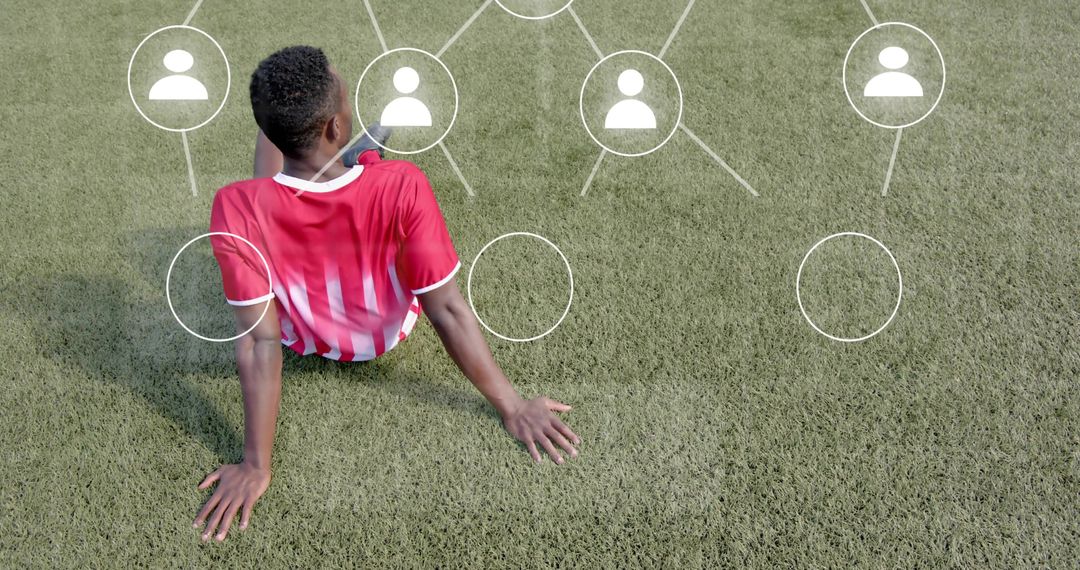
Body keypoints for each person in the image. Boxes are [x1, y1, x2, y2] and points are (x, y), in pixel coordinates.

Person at [191, 46, 580, 543]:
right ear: (335, 125)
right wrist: (512, 405)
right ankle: (359, 162)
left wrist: (255, 464)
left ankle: (324, 166)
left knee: (261, 194)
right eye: (345, 101)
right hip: (383, 335)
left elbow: (259, 342)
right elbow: (446, 309)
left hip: (301, 336)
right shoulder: (405, 186)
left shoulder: (231, 206)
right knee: (374, 177)